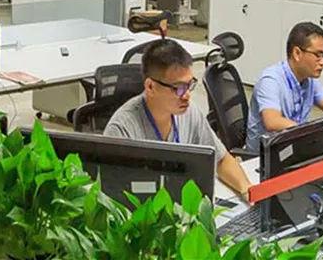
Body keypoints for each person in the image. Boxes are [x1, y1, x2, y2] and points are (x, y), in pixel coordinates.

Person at [105, 39, 251, 197]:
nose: (186, 95)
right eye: (178, 88)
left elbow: (221, 160)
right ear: (150, 87)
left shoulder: (190, 112)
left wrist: (247, 190)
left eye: (189, 85)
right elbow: (114, 193)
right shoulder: (122, 130)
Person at [246, 22, 323, 153]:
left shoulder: (309, 80)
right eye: (318, 55)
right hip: (264, 157)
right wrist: (313, 134)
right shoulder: (271, 80)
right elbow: (272, 122)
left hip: (295, 147)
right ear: (297, 53)